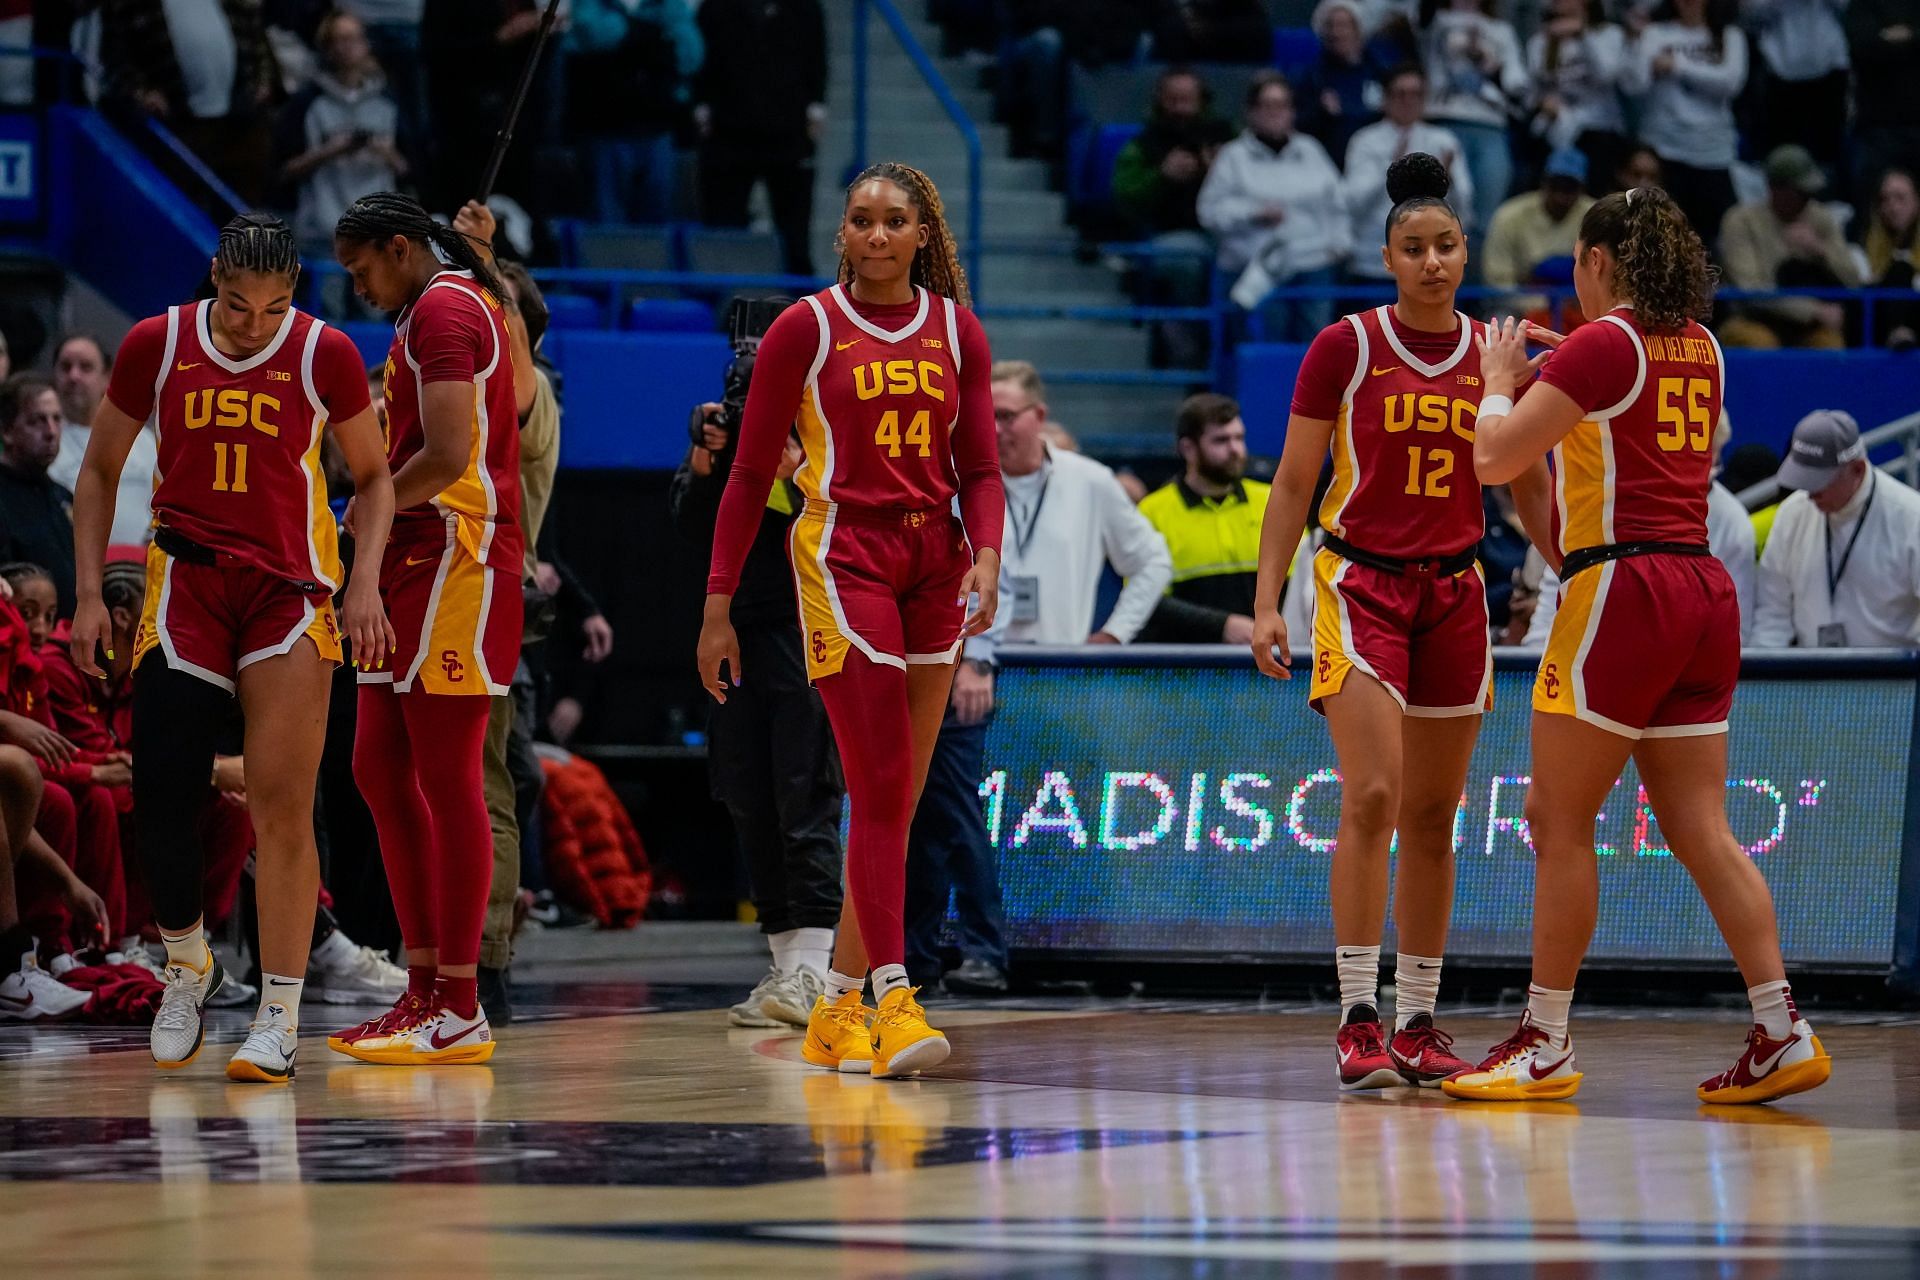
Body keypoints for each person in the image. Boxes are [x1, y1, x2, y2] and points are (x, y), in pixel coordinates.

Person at [1449, 184, 1831, 1106]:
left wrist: (1501, 386)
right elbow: (1619, 406)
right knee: (1702, 827)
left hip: (1623, 587)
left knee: (1556, 819)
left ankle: (1544, 1039)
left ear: (1596, 262)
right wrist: (1564, 369)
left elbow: (1496, 460)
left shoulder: (1602, 343)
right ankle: (1783, 1029)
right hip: (1701, 589)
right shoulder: (1699, 343)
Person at [1249, 154, 1555, 1092]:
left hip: (1456, 591)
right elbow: (1296, 480)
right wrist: (1265, 598)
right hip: (1358, 584)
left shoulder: (1492, 356)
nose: (1431, 261)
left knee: (1434, 815)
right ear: (1387, 256)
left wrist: (1578, 569)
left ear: (1466, 254)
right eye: (1413, 248)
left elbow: (1530, 486)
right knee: (1374, 795)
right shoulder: (1345, 346)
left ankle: (1419, 1020)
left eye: (1446, 246)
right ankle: (1355, 1016)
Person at [66, 214, 395, 1082]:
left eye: (275, 306)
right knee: (165, 794)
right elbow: (97, 471)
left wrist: (362, 581)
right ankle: (188, 962)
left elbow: (373, 475)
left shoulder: (322, 354)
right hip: (187, 581)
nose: (255, 323)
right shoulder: (156, 342)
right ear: (214, 277)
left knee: (281, 806)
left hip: (288, 591)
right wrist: (92, 592)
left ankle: (278, 1013)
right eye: (240, 305)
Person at [698, 163, 1003, 1079]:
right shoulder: (808, 326)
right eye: (860, 220)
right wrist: (718, 607)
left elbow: (982, 469)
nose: (875, 234)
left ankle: (834, 1006)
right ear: (843, 235)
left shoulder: (958, 331)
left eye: (893, 221)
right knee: (876, 785)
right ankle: (896, 998)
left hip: (935, 558)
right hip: (843, 551)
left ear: (921, 236)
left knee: (897, 797)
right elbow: (751, 476)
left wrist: (986, 551)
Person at [327, 192, 530, 1067]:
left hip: (461, 552)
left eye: (362, 267)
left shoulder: (448, 310)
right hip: (411, 554)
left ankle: (459, 1000)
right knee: (378, 767)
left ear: (400, 248)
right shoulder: (430, 310)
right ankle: (419, 991)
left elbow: (448, 457)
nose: (357, 286)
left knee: (451, 782)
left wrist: (365, 502)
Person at [675, 399, 844, 1027]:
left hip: (806, 636)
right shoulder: (727, 447)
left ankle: (819, 972)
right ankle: (784, 966)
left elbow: (832, 534)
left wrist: (791, 472)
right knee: (749, 797)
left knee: (806, 797)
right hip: (737, 638)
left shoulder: (823, 441)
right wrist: (704, 459)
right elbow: (690, 527)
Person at [988, 360, 1172, 646]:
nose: (995, 429)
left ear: (1039, 415)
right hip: (975, 671)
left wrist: (1115, 633)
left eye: (1006, 416)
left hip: (1060, 671)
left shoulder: (1089, 480)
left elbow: (1153, 561)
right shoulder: (962, 484)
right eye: (986, 416)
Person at [1138, 392, 1314, 645]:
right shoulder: (1152, 512)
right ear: (1188, 448)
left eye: (1239, 438)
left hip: (1272, 662)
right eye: (1221, 440)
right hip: (1186, 668)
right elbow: (1145, 601)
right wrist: (1221, 626)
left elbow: (1306, 585)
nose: (1235, 450)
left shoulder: (1272, 502)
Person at [1199, 72, 1350, 342]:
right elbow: (1209, 212)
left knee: (1318, 347)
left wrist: (1340, 244)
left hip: (1312, 262)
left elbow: (1337, 203)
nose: (1275, 113)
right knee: (1267, 344)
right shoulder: (1233, 157)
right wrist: (1252, 214)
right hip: (1254, 265)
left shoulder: (1311, 150)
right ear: (1251, 112)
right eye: (1267, 106)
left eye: (1282, 105)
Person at [1752, 410, 1920, 648]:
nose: (1809, 493)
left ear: (1857, 470)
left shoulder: (1911, 519)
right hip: (1813, 678)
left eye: (1819, 481)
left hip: (1894, 679)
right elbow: (1772, 614)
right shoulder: (1792, 514)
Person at [693, 0, 826, 277]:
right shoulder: (716, 9)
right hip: (728, 131)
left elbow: (816, 59)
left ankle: (798, 306)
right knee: (722, 230)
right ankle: (724, 302)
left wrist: (816, 107)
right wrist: (701, 105)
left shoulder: (805, 9)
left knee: (794, 238)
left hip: (788, 133)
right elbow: (703, 60)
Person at [276, 12, 410, 259]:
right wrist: (330, 151)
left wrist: (385, 152)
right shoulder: (306, 104)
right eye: (340, 39)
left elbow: (409, 169)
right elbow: (284, 170)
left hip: (377, 233)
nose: (348, 47)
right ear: (326, 48)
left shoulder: (387, 104)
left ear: (366, 44)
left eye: (354, 38)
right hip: (323, 232)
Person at [567, 0, 704, 224]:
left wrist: (629, 37)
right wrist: (651, 34)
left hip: (657, 129)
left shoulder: (668, 4)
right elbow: (592, 34)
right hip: (604, 130)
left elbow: (691, 54)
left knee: (656, 228)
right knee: (606, 225)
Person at [1622, 0, 1747, 243]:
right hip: (1665, 148)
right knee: (1662, 234)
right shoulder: (1656, 33)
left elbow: (1730, 82)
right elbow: (1636, 84)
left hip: (1712, 151)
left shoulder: (1730, 35)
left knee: (1712, 237)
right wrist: (1635, 44)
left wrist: (1675, 65)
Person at [1717, 145, 1859, 350]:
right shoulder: (1740, 221)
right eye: (1800, 191)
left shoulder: (1821, 218)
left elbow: (1853, 281)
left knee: (1830, 343)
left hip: (1808, 326)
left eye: (1809, 192)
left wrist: (1821, 251)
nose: (1807, 198)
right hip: (1752, 319)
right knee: (1762, 342)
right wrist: (1813, 311)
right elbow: (1751, 291)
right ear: (1774, 188)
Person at [1344, 66, 1474, 285]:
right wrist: (1389, 167)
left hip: (1431, 266)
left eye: (1416, 94)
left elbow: (1465, 210)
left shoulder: (1443, 140)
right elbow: (1352, 203)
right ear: (1385, 98)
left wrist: (1446, 181)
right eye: (1400, 94)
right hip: (1373, 263)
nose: (1408, 100)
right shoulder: (1364, 141)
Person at [1421, 0, 1527, 240]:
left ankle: (1477, 275)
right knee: (1442, 208)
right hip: (1444, 122)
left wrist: (1491, 64)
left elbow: (1517, 81)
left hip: (1491, 125)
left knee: (1488, 213)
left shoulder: (1501, 30)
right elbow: (1421, 21)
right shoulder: (1435, 21)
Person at [50, 335, 156, 548]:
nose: (74, 376)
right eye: (65, 367)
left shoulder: (141, 439)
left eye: (85, 367)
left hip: (139, 568)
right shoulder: (44, 440)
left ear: (107, 377)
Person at [1112, 67, 1235, 240]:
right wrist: (1162, 176)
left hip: (1232, 227)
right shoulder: (1142, 145)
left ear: (1202, 101)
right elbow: (1125, 197)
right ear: (1159, 101)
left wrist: (1220, 171)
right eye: (1172, 100)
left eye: (1187, 100)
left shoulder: (1229, 137)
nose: (1180, 108)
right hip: (1171, 229)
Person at [1524, 0, 1627, 182]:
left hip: (1598, 129)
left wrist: (1582, 34)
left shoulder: (1610, 34)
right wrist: (1542, 102)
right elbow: (1532, 89)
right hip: (1555, 128)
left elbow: (1606, 74)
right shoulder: (1540, 40)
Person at [0, 376, 78, 616]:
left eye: (56, 419)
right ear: (7, 431)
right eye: (37, 421)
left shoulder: (62, 496)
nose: (51, 432)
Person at [1742, 0, 1848, 174]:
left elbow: (1846, 6)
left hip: (1829, 69)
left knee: (1828, 162)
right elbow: (1748, 15)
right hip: (1779, 71)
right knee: (1781, 162)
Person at [1846, 0, 1920, 221]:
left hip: (1917, 121)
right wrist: (1912, 39)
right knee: (1874, 204)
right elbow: (1862, 47)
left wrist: (1889, 39)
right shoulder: (1863, 5)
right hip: (1876, 125)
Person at [1482, 147, 1595, 290]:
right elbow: (1497, 281)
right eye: (1555, 187)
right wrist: (1538, 306)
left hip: (1581, 304)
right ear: (1543, 183)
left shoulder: (1596, 216)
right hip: (1520, 303)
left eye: (1569, 189)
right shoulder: (1509, 216)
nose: (1560, 197)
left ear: (1582, 189)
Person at [1296, 0, 1389, 165]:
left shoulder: (1379, 70)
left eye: (1343, 25)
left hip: (1378, 157)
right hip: (1329, 159)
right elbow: (1299, 125)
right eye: (1330, 26)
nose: (1336, 33)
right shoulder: (1313, 77)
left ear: (1358, 30)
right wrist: (1322, 113)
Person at [1864, 169, 1920, 349]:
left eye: (1900, 198)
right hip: (1880, 329)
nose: (1892, 206)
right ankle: (1897, 332)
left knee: (1901, 269)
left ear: (1917, 202)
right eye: (1885, 199)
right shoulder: (1863, 248)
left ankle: (1902, 332)